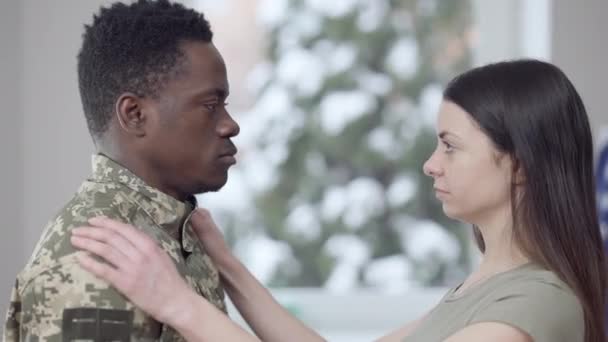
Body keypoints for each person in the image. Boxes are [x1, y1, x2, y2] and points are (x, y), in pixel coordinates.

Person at [69, 59, 607, 342]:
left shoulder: (535, 306)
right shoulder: (486, 287)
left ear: (519, 166)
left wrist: (176, 303)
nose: (431, 164)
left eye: (450, 146)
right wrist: (226, 266)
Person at [3, 0, 240, 340]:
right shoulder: (96, 258)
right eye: (209, 106)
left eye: (225, 105)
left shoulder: (178, 232)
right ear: (134, 114)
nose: (230, 125)